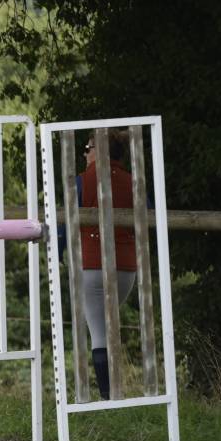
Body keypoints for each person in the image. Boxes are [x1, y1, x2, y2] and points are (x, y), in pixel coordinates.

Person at [78, 130, 137, 399]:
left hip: (92, 263)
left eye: (88, 148)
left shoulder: (81, 181)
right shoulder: (132, 181)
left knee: (99, 332)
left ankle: (107, 396)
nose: (86, 153)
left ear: (99, 151)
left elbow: (67, 225)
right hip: (126, 267)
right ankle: (115, 392)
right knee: (109, 325)